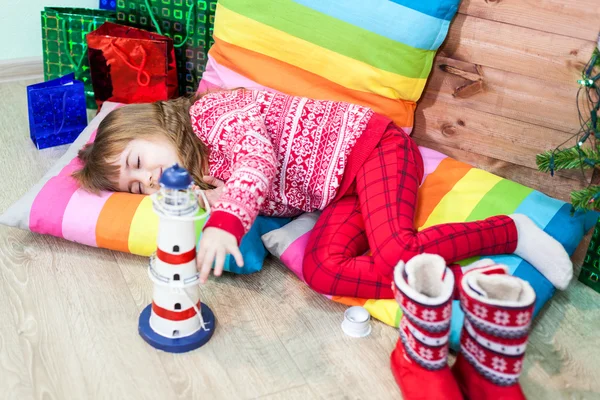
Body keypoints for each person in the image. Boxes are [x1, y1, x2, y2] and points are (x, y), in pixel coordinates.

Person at [73, 89, 573, 298]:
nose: (150, 180)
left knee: (395, 247)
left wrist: (225, 222)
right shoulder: (200, 175)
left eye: (139, 162)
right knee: (321, 271)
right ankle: (441, 290)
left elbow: (257, 163)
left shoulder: (213, 113)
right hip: (337, 196)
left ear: (153, 122)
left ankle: (512, 230)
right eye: (137, 187)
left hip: (373, 151)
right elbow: (242, 195)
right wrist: (210, 206)